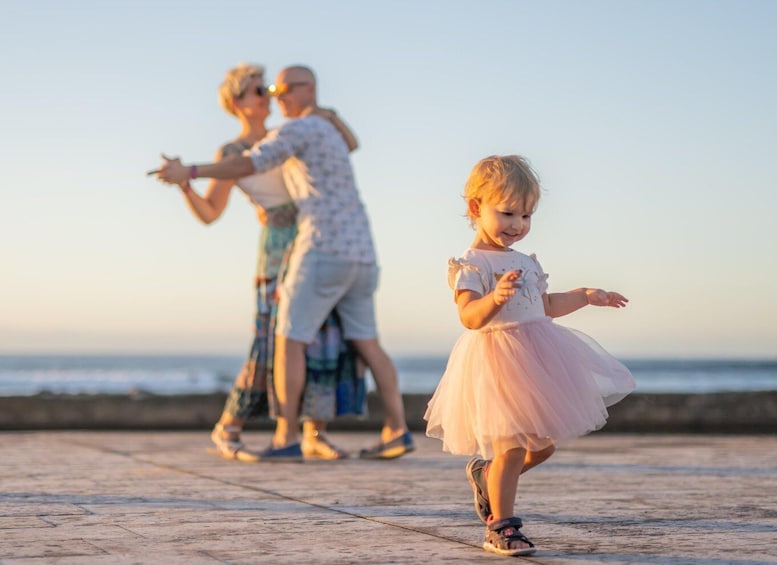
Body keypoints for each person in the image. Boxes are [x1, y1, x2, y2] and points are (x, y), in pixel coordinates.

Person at [155, 65, 414, 461]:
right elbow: (211, 211)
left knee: (326, 344)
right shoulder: (239, 149)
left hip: (313, 240)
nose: (269, 96)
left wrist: (325, 110)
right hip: (287, 246)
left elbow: (348, 144)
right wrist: (187, 182)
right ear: (236, 102)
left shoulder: (290, 132)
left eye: (272, 88)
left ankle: (311, 432)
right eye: (259, 89)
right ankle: (242, 426)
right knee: (273, 341)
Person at [424, 155, 636, 557]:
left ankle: (485, 476)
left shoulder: (524, 261)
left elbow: (545, 305)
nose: (517, 225)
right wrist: (494, 297)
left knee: (542, 447)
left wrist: (587, 296)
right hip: (496, 361)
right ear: (476, 208)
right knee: (511, 447)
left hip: (535, 358)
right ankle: (500, 526)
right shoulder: (471, 265)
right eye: (507, 213)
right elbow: (469, 316)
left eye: (526, 215)